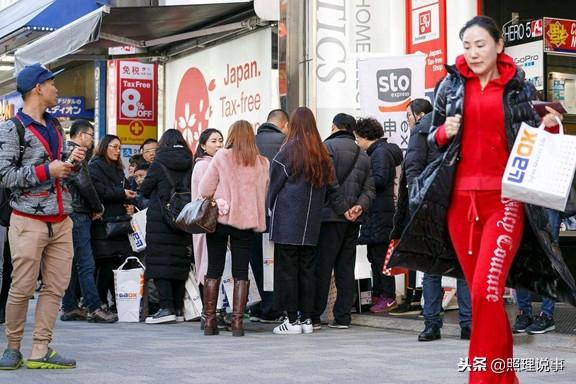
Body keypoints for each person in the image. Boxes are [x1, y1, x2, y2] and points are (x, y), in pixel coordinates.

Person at [391, 16, 573, 384]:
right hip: (459, 202)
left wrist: (550, 126)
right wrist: (444, 131)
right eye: (467, 46)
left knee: (487, 289)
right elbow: (433, 139)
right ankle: (505, 378)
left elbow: (531, 134)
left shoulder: (519, 87)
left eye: (481, 45)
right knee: (482, 296)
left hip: (505, 201)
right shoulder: (449, 86)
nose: (473, 53)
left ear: (499, 45)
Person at [0, 63, 87, 369]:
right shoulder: (11, 128)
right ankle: (12, 347)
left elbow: (58, 172)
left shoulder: (55, 126)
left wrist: (70, 163)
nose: (56, 89)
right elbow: (5, 175)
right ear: (37, 88)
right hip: (27, 219)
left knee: (55, 287)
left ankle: (40, 349)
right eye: (52, 84)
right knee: (21, 287)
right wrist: (46, 170)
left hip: (62, 220)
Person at [268, 107, 343, 335]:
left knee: (287, 270)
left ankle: (291, 320)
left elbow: (273, 186)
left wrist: (271, 207)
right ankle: (307, 319)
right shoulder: (322, 154)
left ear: (293, 125)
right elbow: (332, 187)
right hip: (312, 222)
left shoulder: (287, 151)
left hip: (287, 221)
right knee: (308, 270)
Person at [198, 120, 269, 337]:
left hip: (220, 219)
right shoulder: (262, 162)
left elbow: (204, 188)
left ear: (231, 136)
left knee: (214, 268)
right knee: (241, 271)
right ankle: (238, 323)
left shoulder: (222, 156)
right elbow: (263, 195)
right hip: (246, 223)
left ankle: (210, 321)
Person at [312, 113, 375, 330]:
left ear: (333, 126)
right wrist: (358, 207)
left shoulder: (326, 148)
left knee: (322, 266)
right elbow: (370, 189)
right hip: (352, 221)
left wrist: (343, 209)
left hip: (329, 218)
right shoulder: (363, 153)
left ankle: (315, 315)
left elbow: (328, 182)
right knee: (345, 268)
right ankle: (342, 317)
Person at [60, 120, 117, 324]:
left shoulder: (61, 150)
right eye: (91, 135)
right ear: (82, 134)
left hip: (66, 211)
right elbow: (84, 183)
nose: (92, 139)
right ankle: (94, 307)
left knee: (73, 262)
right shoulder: (77, 153)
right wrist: (97, 206)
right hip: (78, 212)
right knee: (86, 262)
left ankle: (70, 306)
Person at [140, 129, 193, 324]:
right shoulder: (191, 161)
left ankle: (166, 307)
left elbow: (145, 190)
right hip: (184, 218)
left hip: (161, 219)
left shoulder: (159, 163)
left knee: (160, 263)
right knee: (179, 262)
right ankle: (178, 309)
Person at [354, 118, 403, 314]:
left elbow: (381, 180)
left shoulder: (380, 153)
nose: (357, 143)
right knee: (374, 256)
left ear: (366, 137)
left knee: (381, 257)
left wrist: (360, 182)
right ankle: (378, 293)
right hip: (376, 212)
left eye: (358, 139)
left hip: (380, 213)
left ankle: (387, 296)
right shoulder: (378, 152)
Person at [250, 109, 289, 324]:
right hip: (281, 211)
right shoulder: (287, 142)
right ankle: (278, 306)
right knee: (279, 261)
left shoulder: (251, 142)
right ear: (284, 124)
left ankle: (264, 306)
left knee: (257, 260)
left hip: (253, 212)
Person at [89, 135, 136, 310]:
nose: (117, 151)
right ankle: (100, 301)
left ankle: (118, 302)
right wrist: (122, 193)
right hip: (103, 222)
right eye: (114, 147)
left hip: (119, 221)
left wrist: (127, 201)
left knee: (118, 263)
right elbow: (98, 191)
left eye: (119, 147)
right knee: (105, 263)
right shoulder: (95, 166)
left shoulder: (117, 168)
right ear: (104, 147)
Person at [512, 211, 561, 335]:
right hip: (523, 198)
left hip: (548, 197)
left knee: (547, 255)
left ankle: (547, 315)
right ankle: (524, 313)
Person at [191, 129, 224, 289]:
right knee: (207, 262)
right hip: (207, 221)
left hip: (211, 222)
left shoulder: (214, 163)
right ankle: (209, 308)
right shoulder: (204, 165)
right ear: (203, 145)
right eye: (213, 141)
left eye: (220, 140)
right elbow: (207, 195)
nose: (218, 144)